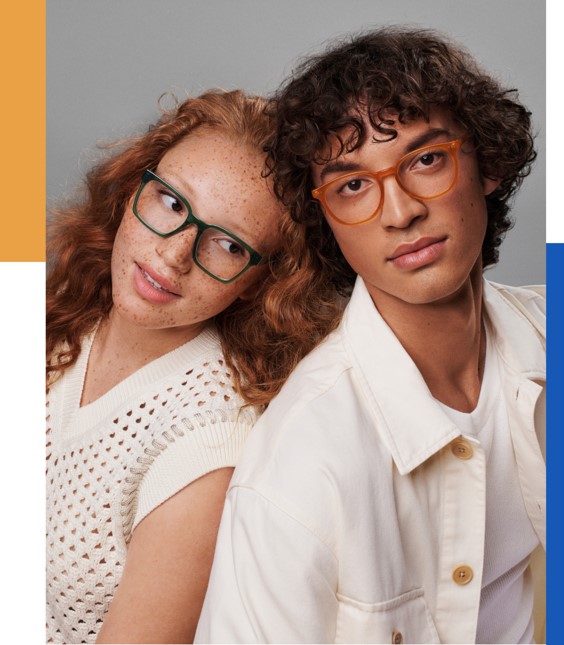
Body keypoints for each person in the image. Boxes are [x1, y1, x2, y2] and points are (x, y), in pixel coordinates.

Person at [195, 28, 546, 644]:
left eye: (425, 160)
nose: (400, 211)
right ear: (324, 218)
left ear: (487, 164)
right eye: (353, 185)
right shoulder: (300, 466)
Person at [46, 89, 340, 644]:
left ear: (263, 282)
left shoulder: (207, 444)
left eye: (229, 245)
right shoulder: (71, 311)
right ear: (134, 187)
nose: (175, 254)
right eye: (172, 204)